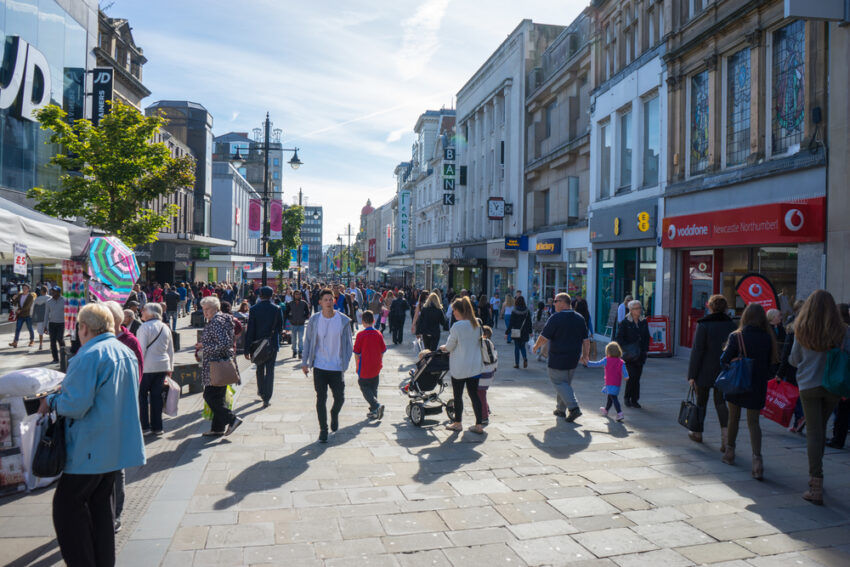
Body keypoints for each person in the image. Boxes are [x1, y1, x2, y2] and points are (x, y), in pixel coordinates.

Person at [39, 303, 145, 566]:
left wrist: (51, 402)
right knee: (101, 510)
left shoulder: (89, 355)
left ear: (83, 327)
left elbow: (75, 405)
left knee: (66, 508)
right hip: (115, 447)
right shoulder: (123, 350)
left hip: (89, 447)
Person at [789, 290, 850, 503]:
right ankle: (817, 474)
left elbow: (794, 359)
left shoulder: (802, 328)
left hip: (808, 385)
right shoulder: (843, 331)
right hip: (833, 386)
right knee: (820, 430)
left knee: (814, 433)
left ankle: (816, 483)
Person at [720, 303, 777, 480]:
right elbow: (772, 365)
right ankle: (757, 462)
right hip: (757, 386)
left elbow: (724, 360)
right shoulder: (768, 337)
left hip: (738, 383)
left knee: (733, 418)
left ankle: (730, 452)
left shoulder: (737, 336)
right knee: (754, 423)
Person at [103, 301, 143, 534]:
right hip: (99, 420)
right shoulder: (93, 345)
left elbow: (136, 377)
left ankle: (115, 514)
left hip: (118, 414)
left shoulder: (129, 342)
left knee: (116, 468)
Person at [302, 288, 353, 443]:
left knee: (340, 398)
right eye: (326, 300)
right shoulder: (314, 320)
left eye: (331, 299)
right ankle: (323, 430)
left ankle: (334, 413)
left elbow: (349, 345)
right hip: (319, 365)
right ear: (320, 303)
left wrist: (345, 362)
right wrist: (305, 362)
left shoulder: (343, 320)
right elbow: (308, 341)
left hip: (336, 366)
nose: (329, 302)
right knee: (321, 398)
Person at [686, 294, 737, 447]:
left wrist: (692, 375)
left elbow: (697, 351)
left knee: (701, 402)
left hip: (704, 371)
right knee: (721, 403)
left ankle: (697, 432)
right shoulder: (732, 325)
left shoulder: (704, 325)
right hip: (724, 370)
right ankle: (726, 438)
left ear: (710, 307)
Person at [532, 293, 590, 423]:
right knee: (565, 383)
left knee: (559, 382)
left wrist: (536, 347)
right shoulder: (579, 318)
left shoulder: (555, 318)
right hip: (573, 358)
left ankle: (574, 408)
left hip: (558, 357)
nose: (554, 303)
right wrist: (585, 355)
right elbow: (586, 340)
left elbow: (543, 337)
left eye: (556, 301)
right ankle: (560, 409)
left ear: (563, 302)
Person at [197, 296, 243, 437]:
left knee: (209, 396)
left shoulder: (216, 322)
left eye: (208, 309)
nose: (205, 312)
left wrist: (204, 346)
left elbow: (223, 345)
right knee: (218, 397)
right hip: (220, 363)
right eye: (203, 309)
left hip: (216, 365)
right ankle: (217, 428)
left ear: (215, 308)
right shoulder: (222, 319)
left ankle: (232, 419)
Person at [441, 297, 485, 434]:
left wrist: (443, 347)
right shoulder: (477, 324)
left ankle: (458, 422)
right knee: (474, 395)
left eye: (454, 310)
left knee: (458, 395)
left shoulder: (457, 326)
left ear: (460, 311)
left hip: (459, 367)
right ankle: (479, 424)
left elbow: (449, 346)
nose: (453, 313)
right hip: (474, 366)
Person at [136, 303, 174, 436]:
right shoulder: (165, 327)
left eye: (144, 310)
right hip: (162, 366)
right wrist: (170, 367)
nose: (141, 312)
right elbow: (170, 349)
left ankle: (145, 426)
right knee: (156, 397)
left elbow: (141, 349)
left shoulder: (144, 327)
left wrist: (137, 367)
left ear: (151, 313)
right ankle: (158, 427)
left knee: (141, 396)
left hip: (146, 367)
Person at [245, 286, 284, 408]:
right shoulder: (277, 309)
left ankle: (261, 391)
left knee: (259, 368)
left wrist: (247, 349)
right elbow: (280, 328)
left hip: (257, 344)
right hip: (272, 343)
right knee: (270, 370)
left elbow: (250, 330)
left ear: (260, 295)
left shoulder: (254, 309)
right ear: (272, 295)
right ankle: (267, 397)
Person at [615, 300, 651, 408]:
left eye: (640, 308)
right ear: (630, 310)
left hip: (640, 354)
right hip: (629, 355)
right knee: (631, 377)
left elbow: (647, 337)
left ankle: (635, 399)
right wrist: (627, 348)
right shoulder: (625, 322)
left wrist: (645, 350)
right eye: (636, 308)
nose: (639, 310)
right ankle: (627, 397)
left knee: (637, 378)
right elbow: (619, 339)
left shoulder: (643, 321)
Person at [353, 310, 386, 420]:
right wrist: (379, 362)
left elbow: (357, 353)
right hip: (376, 365)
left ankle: (376, 405)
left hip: (365, 365)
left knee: (364, 386)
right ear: (374, 321)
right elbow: (382, 351)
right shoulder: (378, 333)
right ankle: (374, 412)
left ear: (362, 322)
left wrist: (357, 366)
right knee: (373, 388)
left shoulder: (361, 335)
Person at [587, 341, 629, 422]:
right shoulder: (621, 361)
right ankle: (606, 410)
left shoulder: (606, 359)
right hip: (617, 383)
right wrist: (626, 376)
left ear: (608, 351)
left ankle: (620, 413)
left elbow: (597, 364)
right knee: (610, 396)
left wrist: (588, 363)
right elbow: (624, 370)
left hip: (610, 382)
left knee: (613, 397)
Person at [479, 325, 498, 426]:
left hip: (483, 371)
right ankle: (486, 408)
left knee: (480, 393)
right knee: (482, 392)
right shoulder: (490, 343)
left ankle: (484, 416)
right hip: (490, 371)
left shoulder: (481, 343)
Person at [507, 296, 533, 369]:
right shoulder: (527, 311)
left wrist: (507, 332)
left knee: (517, 347)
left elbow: (511, 322)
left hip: (516, 331)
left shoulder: (514, 310)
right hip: (524, 331)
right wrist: (530, 332)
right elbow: (529, 322)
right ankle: (525, 358)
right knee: (522, 346)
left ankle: (517, 364)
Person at [8, 283, 35, 348]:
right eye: (23, 288)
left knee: (30, 328)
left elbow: (27, 306)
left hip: (28, 315)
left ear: (28, 289)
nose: (24, 289)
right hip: (20, 315)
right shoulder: (20, 295)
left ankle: (32, 340)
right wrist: (13, 299)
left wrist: (20, 310)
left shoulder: (30, 296)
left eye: (25, 288)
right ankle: (15, 342)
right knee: (17, 329)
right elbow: (14, 304)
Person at [285, 290, 311, 358]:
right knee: (293, 339)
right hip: (293, 324)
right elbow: (286, 313)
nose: (298, 295)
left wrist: (304, 318)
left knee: (300, 338)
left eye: (299, 294)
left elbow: (307, 312)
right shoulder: (290, 303)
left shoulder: (304, 303)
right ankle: (294, 351)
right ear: (293, 295)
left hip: (301, 323)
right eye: (296, 294)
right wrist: (290, 318)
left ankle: (300, 352)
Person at [44, 286, 66, 363]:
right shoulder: (49, 301)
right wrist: (45, 326)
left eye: (55, 291)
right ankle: (55, 358)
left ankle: (64, 356)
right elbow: (46, 314)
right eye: (52, 291)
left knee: (60, 339)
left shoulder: (64, 300)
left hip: (61, 323)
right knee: (52, 341)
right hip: (52, 324)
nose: (53, 293)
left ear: (59, 292)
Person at [31, 286, 49, 350]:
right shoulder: (50, 298)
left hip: (40, 317)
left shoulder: (37, 299)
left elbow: (32, 308)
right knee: (51, 331)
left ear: (41, 291)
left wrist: (32, 315)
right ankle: (53, 344)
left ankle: (41, 344)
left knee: (40, 332)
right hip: (48, 318)